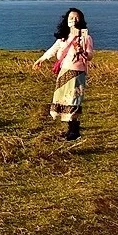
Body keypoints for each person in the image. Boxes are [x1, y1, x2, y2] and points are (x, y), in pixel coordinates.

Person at [32, 7, 94, 141]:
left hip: (78, 72)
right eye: (71, 18)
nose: (74, 20)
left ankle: (74, 130)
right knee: (63, 98)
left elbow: (90, 56)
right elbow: (52, 50)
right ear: (67, 21)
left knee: (74, 99)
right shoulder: (63, 39)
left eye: (76, 18)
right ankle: (71, 129)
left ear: (81, 20)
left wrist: (82, 51)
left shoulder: (86, 38)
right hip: (64, 70)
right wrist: (40, 60)